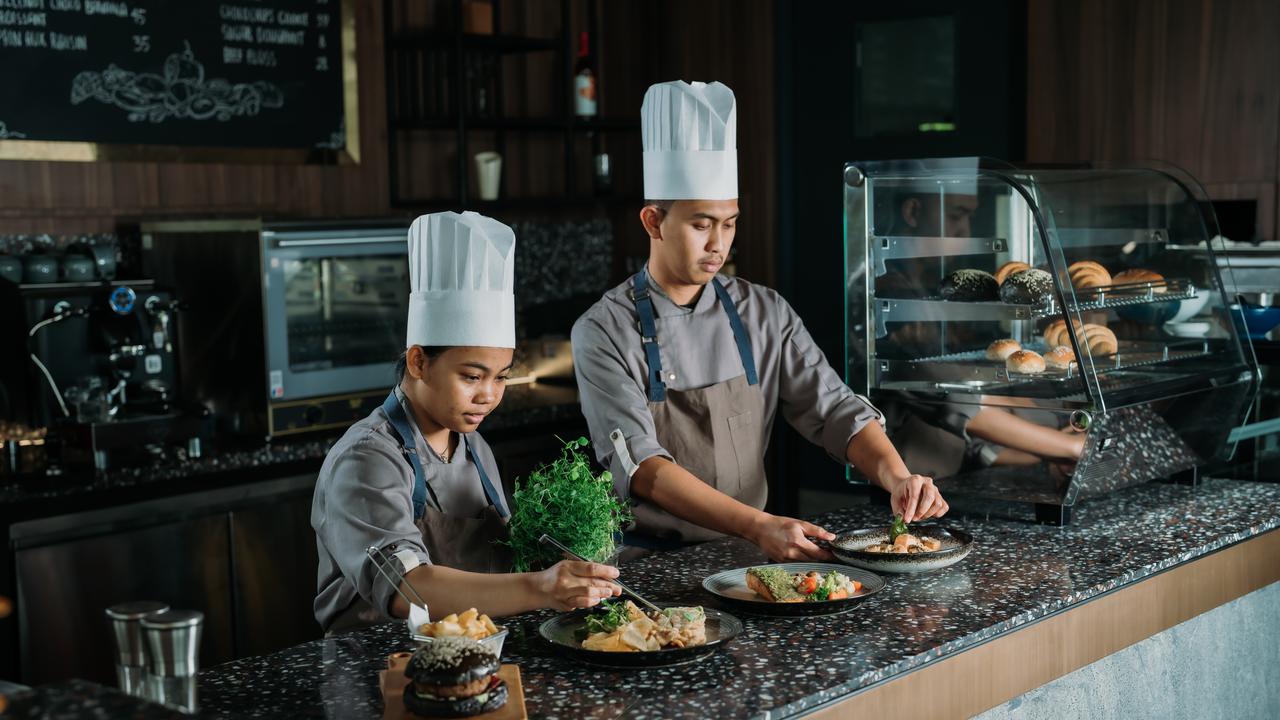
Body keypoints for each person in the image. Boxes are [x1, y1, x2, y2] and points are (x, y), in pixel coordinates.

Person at [571, 80, 948, 563]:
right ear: (652, 222)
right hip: (649, 562)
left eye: (729, 223)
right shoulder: (603, 330)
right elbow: (641, 466)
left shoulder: (763, 311)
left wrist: (898, 476)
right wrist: (760, 525)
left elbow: (834, 409)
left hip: (749, 550)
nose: (718, 245)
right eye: (701, 224)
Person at [312, 212, 620, 634]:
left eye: (501, 378)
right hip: (377, 668)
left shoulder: (473, 446)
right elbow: (406, 587)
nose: (488, 396)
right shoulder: (367, 458)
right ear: (419, 361)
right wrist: (540, 587)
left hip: (473, 651)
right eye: (472, 377)